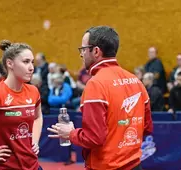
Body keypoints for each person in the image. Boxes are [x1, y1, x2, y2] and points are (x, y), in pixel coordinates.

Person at [47, 26, 153, 170]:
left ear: (96, 51)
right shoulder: (136, 81)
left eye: (83, 49)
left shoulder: (95, 85)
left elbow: (94, 138)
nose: (81, 54)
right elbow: (146, 128)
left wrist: (70, 133)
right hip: (135, 164)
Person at [0, 40, 43, 170]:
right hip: (2, 166)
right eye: (26, 62)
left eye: (32, 62)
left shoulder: (33, 91)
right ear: (10, 63)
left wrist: (34, 141)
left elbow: (37, 117)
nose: (31, 67)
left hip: (32, 165)